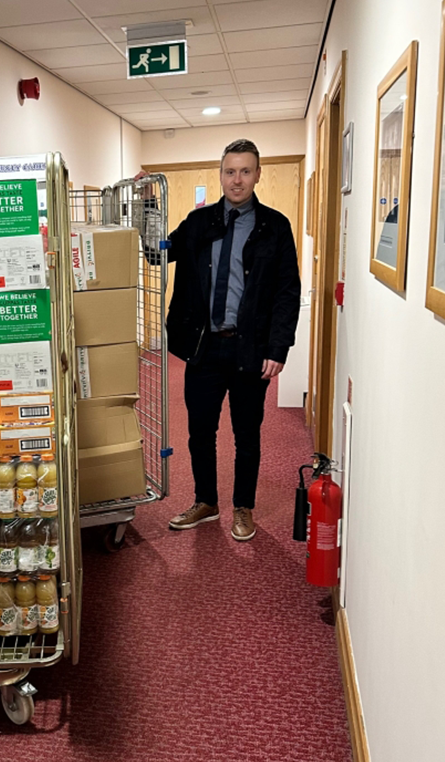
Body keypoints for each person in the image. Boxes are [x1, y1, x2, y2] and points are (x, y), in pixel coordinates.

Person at [154, 139, 301, 541]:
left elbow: (288, 291)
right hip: (204, 347)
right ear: (220, 175)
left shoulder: (275, 227)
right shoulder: (198, 224)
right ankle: (206, 501)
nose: (237, 180)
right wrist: (147, 202)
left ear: (258, 174)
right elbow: (155, 253)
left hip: (249, 350)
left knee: (246, 434)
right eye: (230, 171)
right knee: (200, 431)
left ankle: (243, 507)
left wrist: (278, 347)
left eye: (245, 171)